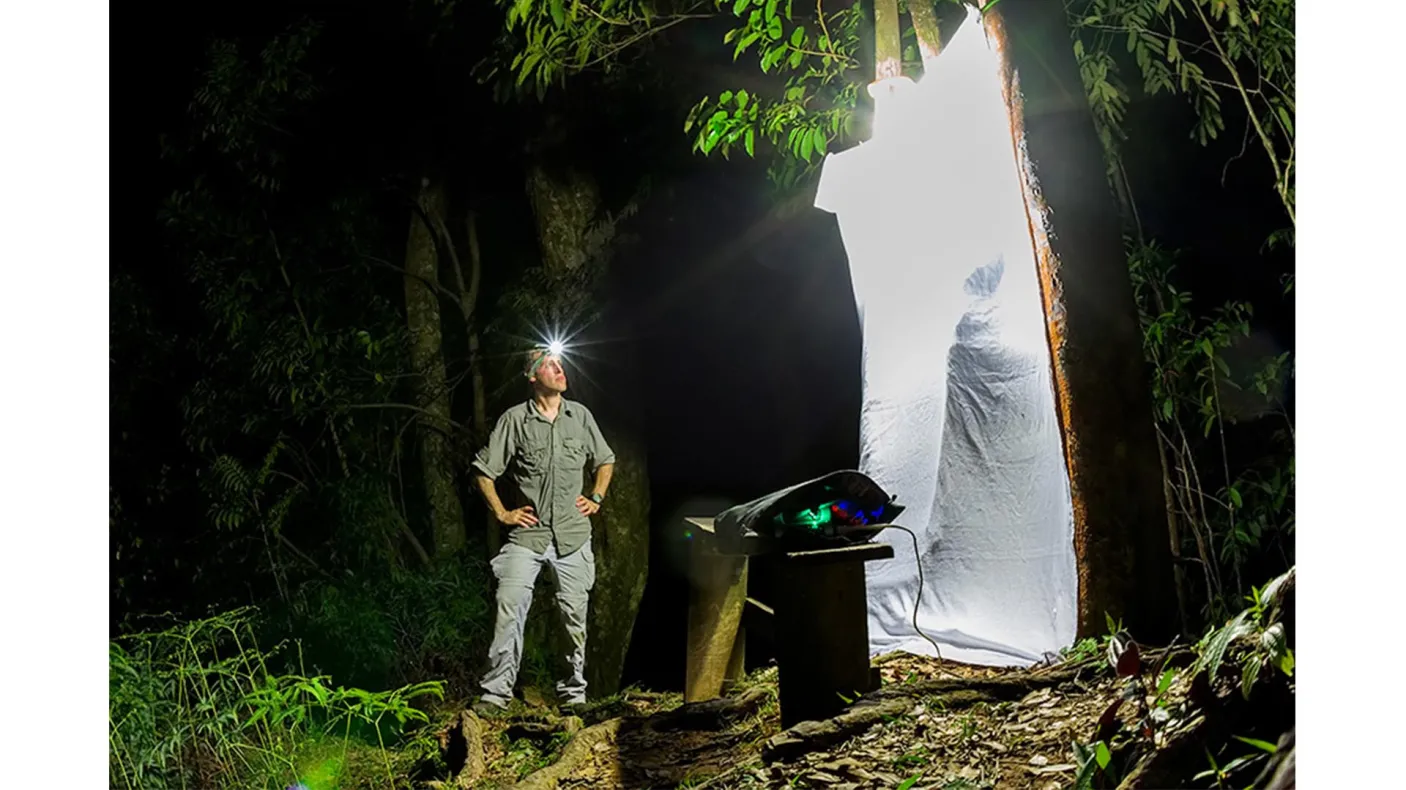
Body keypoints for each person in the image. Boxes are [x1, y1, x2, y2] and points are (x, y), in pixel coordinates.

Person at [471, 348, 615, 716]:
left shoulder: (579, 416)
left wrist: (596, 496)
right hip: (528, 537)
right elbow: (485, 471)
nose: (559, 369)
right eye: (550, 365)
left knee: (574, 616)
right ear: (533, 377)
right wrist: (503, 513)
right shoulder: (515, 420)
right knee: (509, 604)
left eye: (561, 364)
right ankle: (495, 695)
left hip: (573, 535)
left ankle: (573, 696)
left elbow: (605, 460)